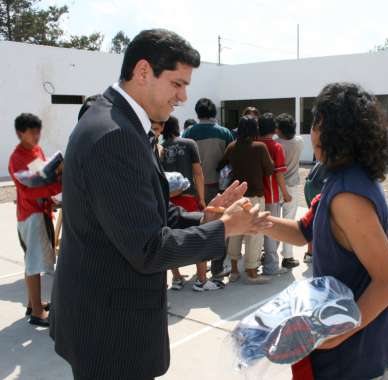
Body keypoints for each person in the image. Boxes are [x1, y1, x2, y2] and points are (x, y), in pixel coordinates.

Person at [49, 29, 270, 380]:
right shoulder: (115, 134)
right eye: (177, 83)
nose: (183, 96)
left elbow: (153, 215)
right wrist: (226, 229)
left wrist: (208, 214)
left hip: (102, 317)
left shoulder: (117, 122)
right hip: (111, 333)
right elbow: (148, 248)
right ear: (142, 72)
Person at [263, 83, 388, 379]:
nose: (312, 133)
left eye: (317, 124)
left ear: (339, 132)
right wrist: (258, 222)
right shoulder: (341, 178)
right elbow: (304, 232)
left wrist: (340, 333)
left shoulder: (347, 196)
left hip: (356, 356)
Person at [8, 113, 62, 327]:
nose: (37, 136)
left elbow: (41, 177)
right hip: (30, 215)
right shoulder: (16, 158)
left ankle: (34, 303)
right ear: (20, 133)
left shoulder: (36, 151)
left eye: (39, 131)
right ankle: (38, 313)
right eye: (32, 132)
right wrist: (58, 187)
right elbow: (28, 191)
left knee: (34, 260)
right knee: (34, 264)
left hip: (41, 212)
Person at [162, 116, 223, 291]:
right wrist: (202, 198)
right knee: (199, 236)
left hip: (168, 200)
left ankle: (177, 278)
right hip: (188, 197)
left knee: (170, 238)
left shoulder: (160, 148)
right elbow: (198, 173)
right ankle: (201, 279)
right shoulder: (189, 144)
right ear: (177, 127)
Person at [218, 116, 275, 284]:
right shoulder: (260, 147)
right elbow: (269, 170)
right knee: (255, 233)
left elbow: (221, 164)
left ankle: (234, 270)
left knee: (235, 233)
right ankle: (251, 271)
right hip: (255, 196)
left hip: (236, 197)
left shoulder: (232, 147)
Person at [184, 98, 235, 278]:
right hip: (220, 187)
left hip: (196, 189)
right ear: (214, 113)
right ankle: (217, 266)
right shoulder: (225, 133)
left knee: (199, 227)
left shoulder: (188, 132)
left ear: (197, 113)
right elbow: (231, 161)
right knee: (221, 226)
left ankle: (200, 267)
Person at [258, 113, 292, 275]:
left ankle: (253, 263)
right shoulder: (275, 147)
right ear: (273, 128)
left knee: (255, 229)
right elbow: (279, 174)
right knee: (271, 230)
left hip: (254, 195)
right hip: (271, 194)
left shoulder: (254, 144)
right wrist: (285, 193)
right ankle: (271, 266)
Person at [274, 113, 303, 269]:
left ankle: (270, 253)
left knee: (273, 221)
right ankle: (288, 256)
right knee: (289, 221)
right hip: (291, 186)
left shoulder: (275, 143)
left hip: (276, 186)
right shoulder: (299, 141)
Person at [302, 161, 328, 264]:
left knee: (313, 218)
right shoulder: (341, 158)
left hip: (309, 185)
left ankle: (310, 253)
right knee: (318, 221)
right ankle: (311, 253)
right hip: (317, 186)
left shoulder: (327, 155)